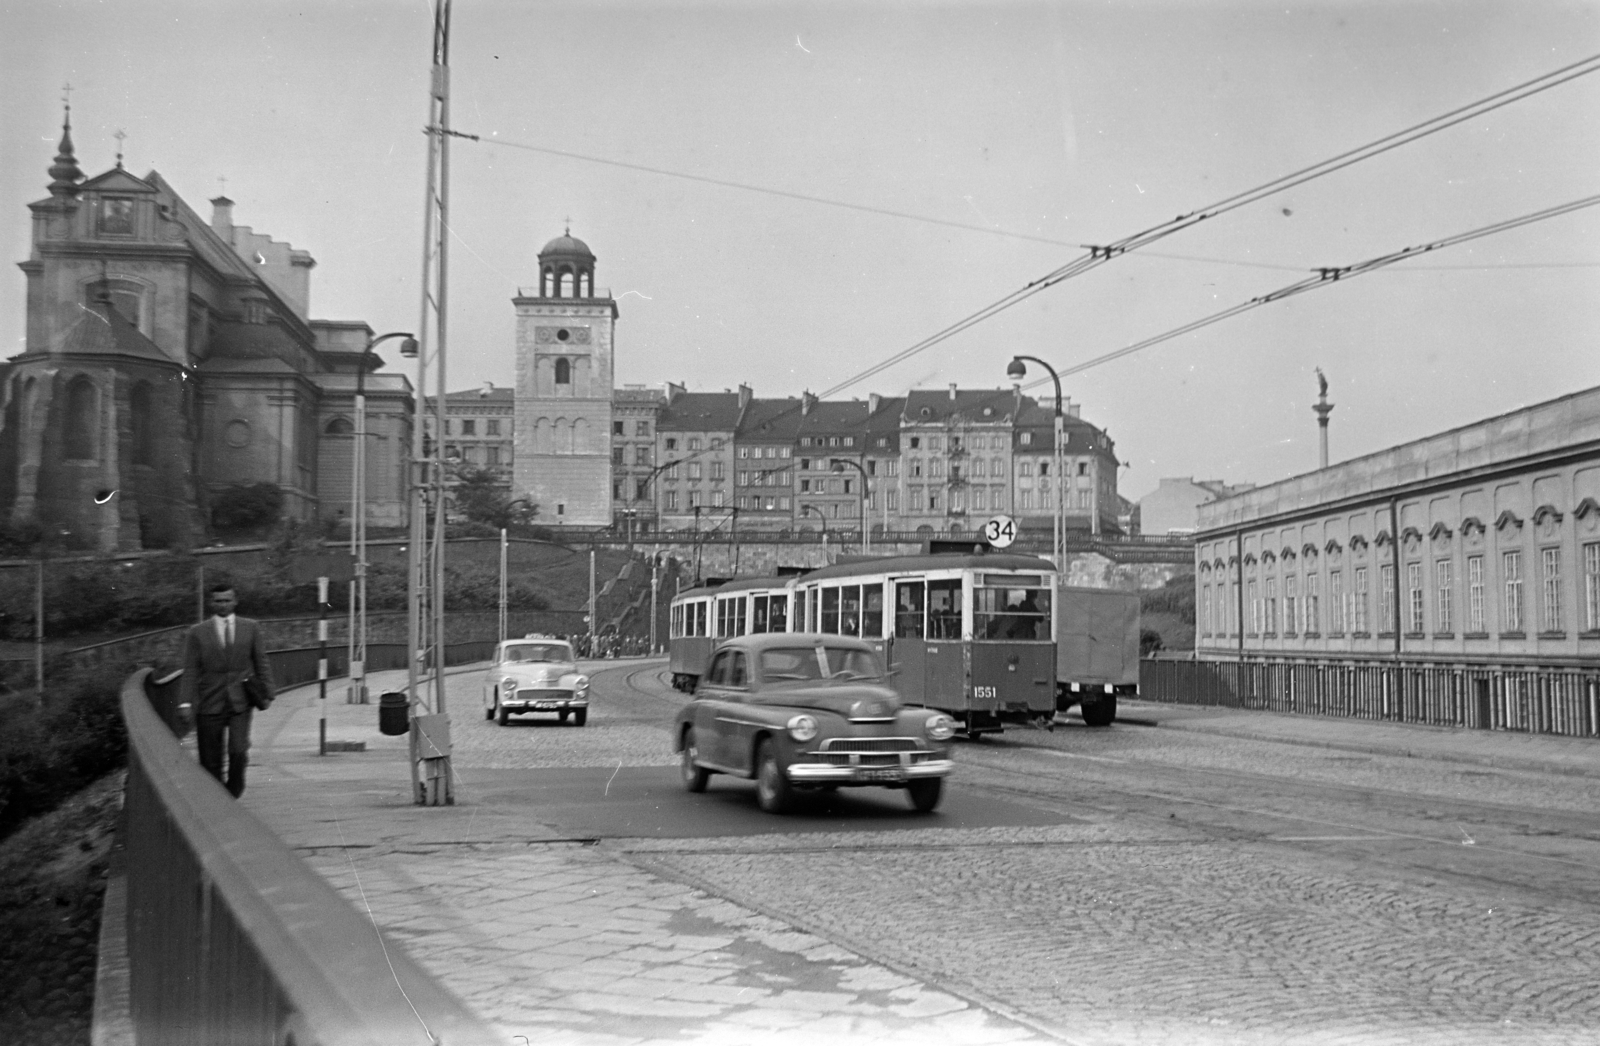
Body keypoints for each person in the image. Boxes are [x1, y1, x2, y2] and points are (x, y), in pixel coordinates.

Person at [179, 585, 275, 798]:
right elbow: (191, 670)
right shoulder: (197, 632)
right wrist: (185, 702)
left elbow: (261, 661)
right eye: (218, 601)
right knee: (210, 759)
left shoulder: (250, 627)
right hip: (209, 701)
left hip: (240, 701)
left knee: (238, 751)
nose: (223, 605)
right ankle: (216, 797)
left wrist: (268, 692)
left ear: (235, 601)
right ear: (211, 603)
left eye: (227, 600)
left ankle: (233, 791)